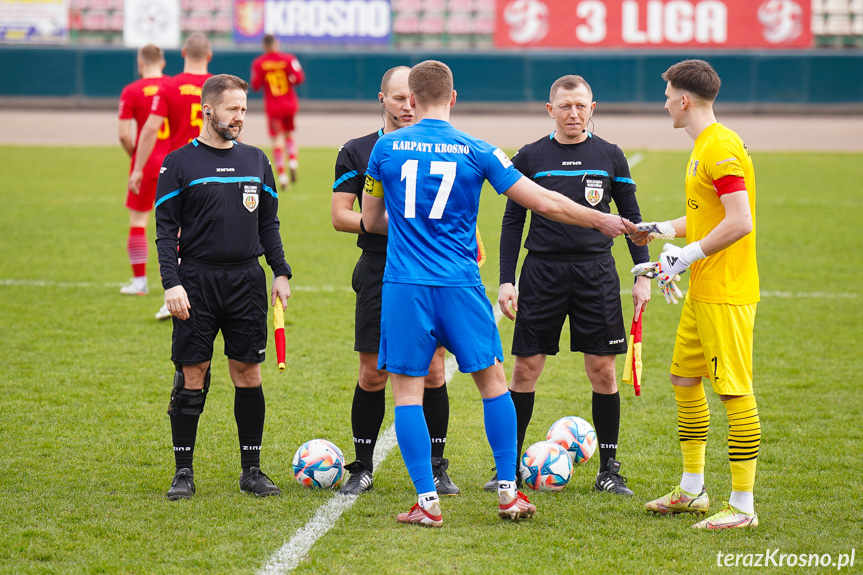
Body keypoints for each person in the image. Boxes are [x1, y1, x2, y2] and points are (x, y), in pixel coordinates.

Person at [361, 60, 636, 527]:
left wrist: (412, 227)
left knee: (407, 394)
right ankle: (509, 493)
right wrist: (600, 219)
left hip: (405, 286)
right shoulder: (479, 149)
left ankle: (427, 503)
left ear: (411, 100)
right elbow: (544, 201)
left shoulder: (384, 149)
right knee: (492, 383)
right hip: (461, 286)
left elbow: (370, 221)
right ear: (452, 97)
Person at [489, 74, 651, 497]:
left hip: (596, 273)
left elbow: (632, 216)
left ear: (592, 108)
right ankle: (508, 466)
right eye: (565, 106)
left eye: (581, 106)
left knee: (602, 371)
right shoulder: (530, 156)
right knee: (525, 370)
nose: (573, 113)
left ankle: (609, 469)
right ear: (550, 110)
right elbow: (512, 221)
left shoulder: (611, 156)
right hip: (541, 273)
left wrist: (643, 274)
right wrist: (507, 280)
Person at [633, 59, 761, 529]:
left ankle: (743, 507)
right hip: (703, 292)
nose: (664, 101)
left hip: (727, 291)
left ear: (684, 100)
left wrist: (682, 257)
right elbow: (711, 217)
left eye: (667, 94)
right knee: (685, 380)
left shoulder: (720, 147)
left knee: (734, 391)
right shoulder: (704, 145)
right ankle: (692, 490)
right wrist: (663, 231)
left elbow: (740, 221)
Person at [154, 74, 291, 501]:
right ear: (207, 110)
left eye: (244, 110)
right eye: (233, 109)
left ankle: (251, 470)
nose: (240, 117)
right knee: (193, 373)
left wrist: (280, 271)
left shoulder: (256, 160)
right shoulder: (178, 163)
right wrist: (171, 284)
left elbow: (268, 222)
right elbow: (164, 231)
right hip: (195, 280)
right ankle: (183, 471)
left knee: (247, 372)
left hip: (247, 281)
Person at [330, 66, 458, 497]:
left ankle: (438, 467)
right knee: (372, 372)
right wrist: (401, 225)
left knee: (435, 369)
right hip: (379, 271)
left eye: (412, 98)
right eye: (398, 98)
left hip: (429, 269)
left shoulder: (438, 146)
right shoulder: (359, 149)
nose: (407, 106)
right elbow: (341, 215)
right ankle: (361, 466)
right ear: (381, 100)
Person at [129, 32, 213, 320]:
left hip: (182, 168)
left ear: (183, 52)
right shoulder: (218, 86)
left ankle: (176, 293)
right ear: (210, 55)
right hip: (215, 168)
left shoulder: (169, 86)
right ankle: (206, 295)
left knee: (175, 232)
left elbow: (150, 129)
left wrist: (138, 167)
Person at [117, 44, 171, 298]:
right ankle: (176, 284)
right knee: (178, 228)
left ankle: (139, 281)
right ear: (163, 63)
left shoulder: (131, 90)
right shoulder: (173, 86)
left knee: (138, 222)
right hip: (175, 163)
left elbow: (123, 134)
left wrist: (135, 157)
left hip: (146, 161)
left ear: (140, 63)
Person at [251, 34, 305, 188]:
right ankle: (293, 161)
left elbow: (255, 85)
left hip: (273, 106)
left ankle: (282, 176)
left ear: (264, 45)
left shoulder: (259, 63)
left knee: (276, 140)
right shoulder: (288, 58)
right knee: (289, 134)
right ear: (277, 43)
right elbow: (299, 77)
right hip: (289, 103)